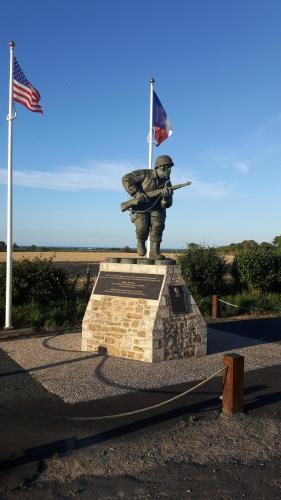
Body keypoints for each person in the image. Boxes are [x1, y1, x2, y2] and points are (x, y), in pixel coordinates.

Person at [122, 155, 174, 259]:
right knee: (142, 228)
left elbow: (167, 205)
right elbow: (126, 178)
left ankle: (154, 252)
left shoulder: (168, 183)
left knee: (158, 227)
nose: (170, 170)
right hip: (141, 208)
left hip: (157, 209)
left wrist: (165, 199)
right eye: (168, 168)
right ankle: (141, 241)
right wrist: (136, 193)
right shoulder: (145, 174)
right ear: (162, 167)